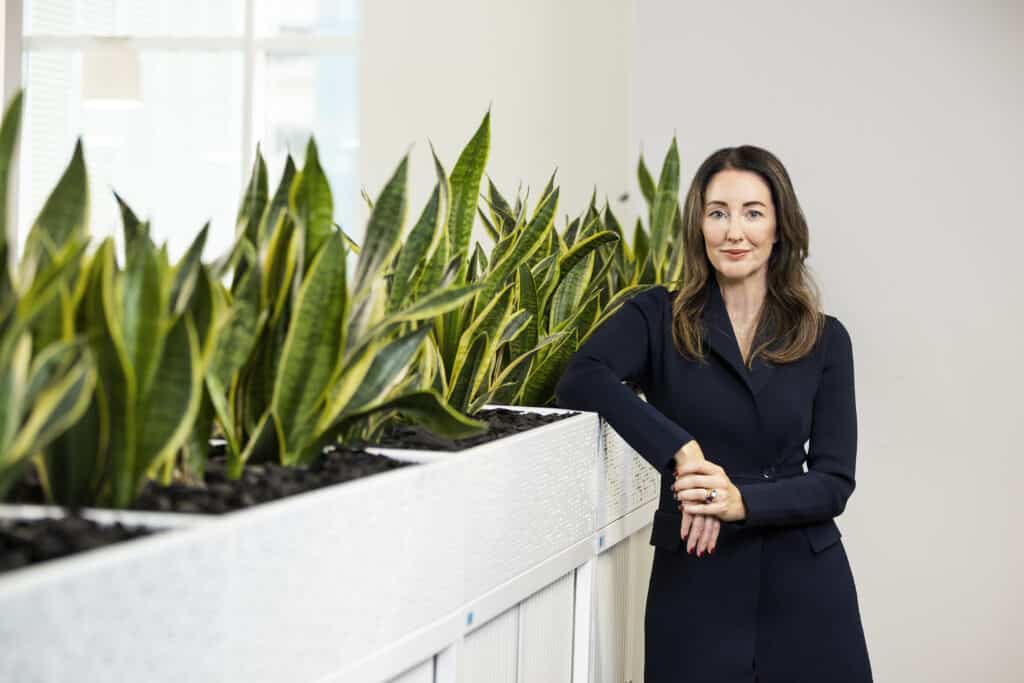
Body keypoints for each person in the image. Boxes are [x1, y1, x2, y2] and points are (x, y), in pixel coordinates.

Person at [554, 145, 872, 683]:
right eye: (718, 212)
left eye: (753, 212)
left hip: (805, 582)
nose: (734, 231)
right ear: (699, 225)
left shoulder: (824, 338)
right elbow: (582, 377)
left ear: (780, 228)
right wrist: (682, 453)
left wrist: (738, 499)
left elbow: (834, 482)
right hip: (697, 576)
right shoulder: (657, 315)